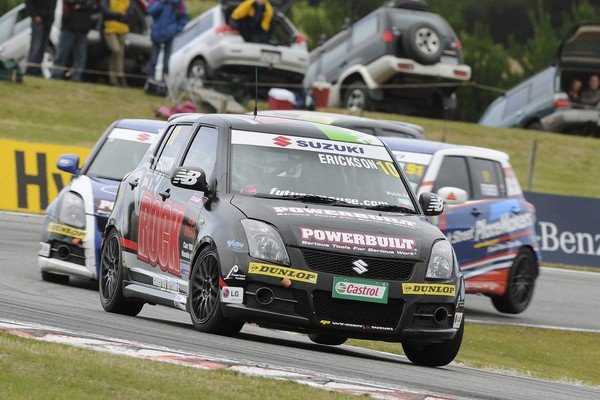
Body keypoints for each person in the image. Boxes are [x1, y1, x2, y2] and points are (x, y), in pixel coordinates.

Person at [51, 0, 100, 82]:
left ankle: (76, 76)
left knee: (80, 56)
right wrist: (84, 5)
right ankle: (56, 74)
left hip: (83, 29)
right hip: (69, 27)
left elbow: (94, 7)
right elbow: (70, 2)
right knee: (62, 52)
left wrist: (80, 6)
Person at [146, 0, 188, 82]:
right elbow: (150, 11)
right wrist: (161, 3)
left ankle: (165, 83)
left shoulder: (178, 3)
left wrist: (177, 29)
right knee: (153, 60)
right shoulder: (156, 1)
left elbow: (184, 17)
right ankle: (150, 82)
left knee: (166, 62)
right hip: (156, 33)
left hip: (169, 34)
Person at [100, 0, 132, 87]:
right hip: (109, 30)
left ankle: (113, 80)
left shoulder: (129, 1)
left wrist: (115, 16)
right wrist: (120, 14)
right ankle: (120, 76)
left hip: (123, 30)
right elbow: (106, 13)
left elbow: (129, 16)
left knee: (118, 54)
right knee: (117, 51)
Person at [24, 0, 58, 77]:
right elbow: (28, 2)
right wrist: (34, 15)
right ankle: (30, 70)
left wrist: (52, 18)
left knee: (42, 48)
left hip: (48, 21)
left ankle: (36, 70)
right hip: (38, 21)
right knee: (36, 47)